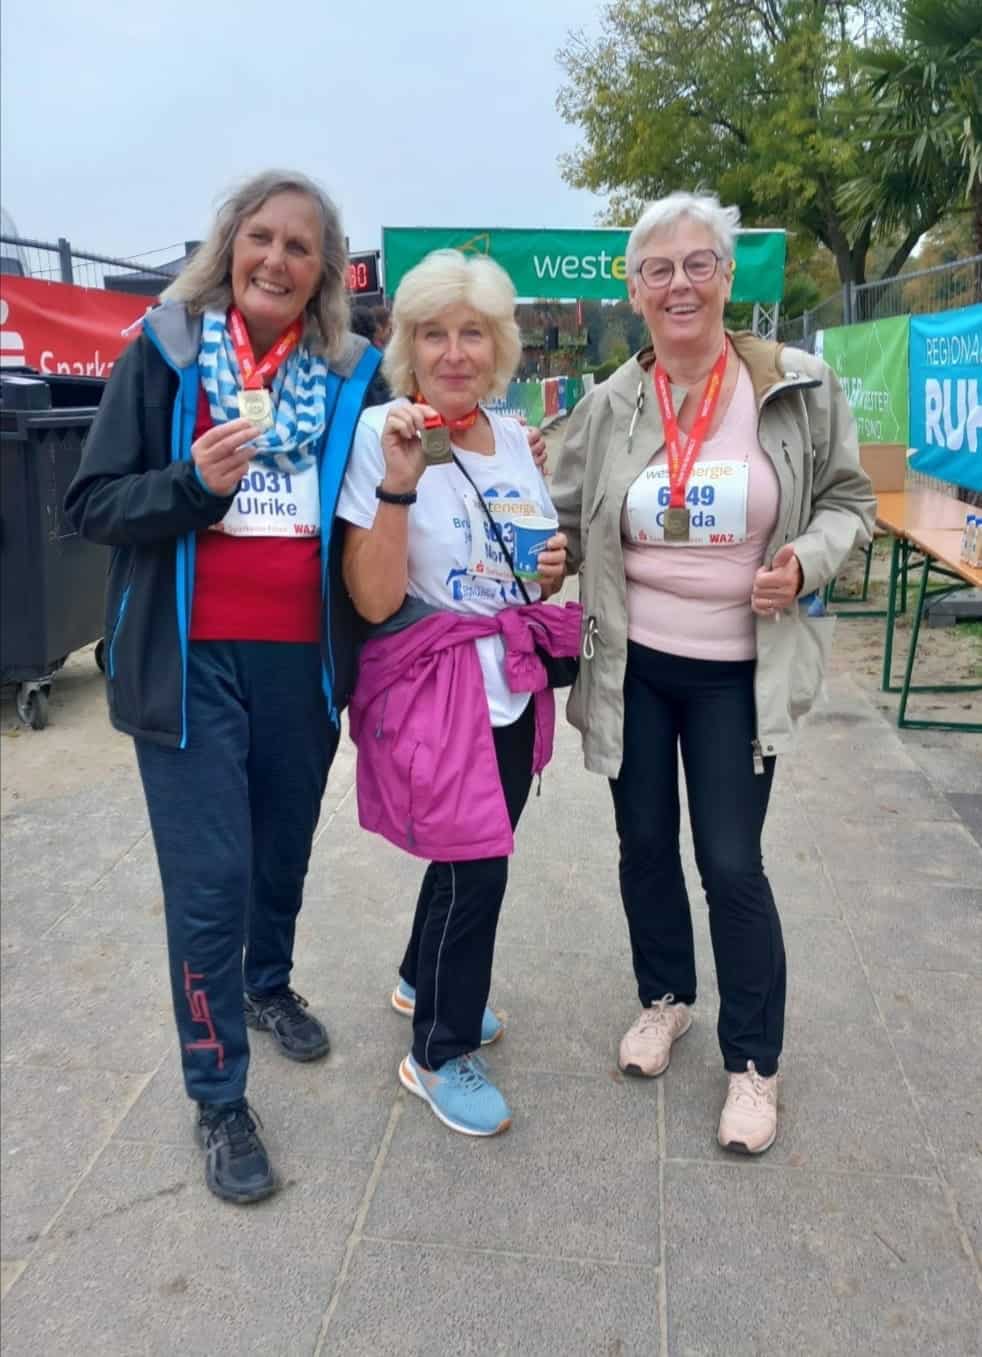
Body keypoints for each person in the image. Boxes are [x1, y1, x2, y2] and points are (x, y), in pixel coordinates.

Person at [64, 170, 383, 1204]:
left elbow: (382, 512)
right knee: (209, 884)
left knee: (280, 851)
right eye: (262, 238)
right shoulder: (163, 353)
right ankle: (217, 1095)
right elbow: (94, 503)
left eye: (301, 246)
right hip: (187, 663)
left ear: (324, 272)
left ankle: (265, 983)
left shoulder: (350, 374)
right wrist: (193, 486)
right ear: (228, 246)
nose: (278, 259)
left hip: (302, 664)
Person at [550, 192, 875, 1154]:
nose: (680, 283)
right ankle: (665, 998)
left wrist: (806, 561)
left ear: (728, 281)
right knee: (643, 844)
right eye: (660, 269)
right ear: (636, 289)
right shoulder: (610, 405)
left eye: (700, 265)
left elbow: (850, 503)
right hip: (636, 663)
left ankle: (754, 1063)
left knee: (731, 861)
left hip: (740, 668)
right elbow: (560, 517)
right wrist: (553, 553)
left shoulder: (798, 386)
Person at [337, 250, 580, 1137]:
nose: (452, 351)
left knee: (471, 847)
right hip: (434, 684)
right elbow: (370, 596)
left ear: (498, 346)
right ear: (407, 343)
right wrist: (401, 481)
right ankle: (437, 1050)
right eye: (432, 333)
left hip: (507, 683)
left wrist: (550, 565)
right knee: (479, 864)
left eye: (470, 332)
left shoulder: (514, 437)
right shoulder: (383, 435)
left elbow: (530, 565)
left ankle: (420, 979)